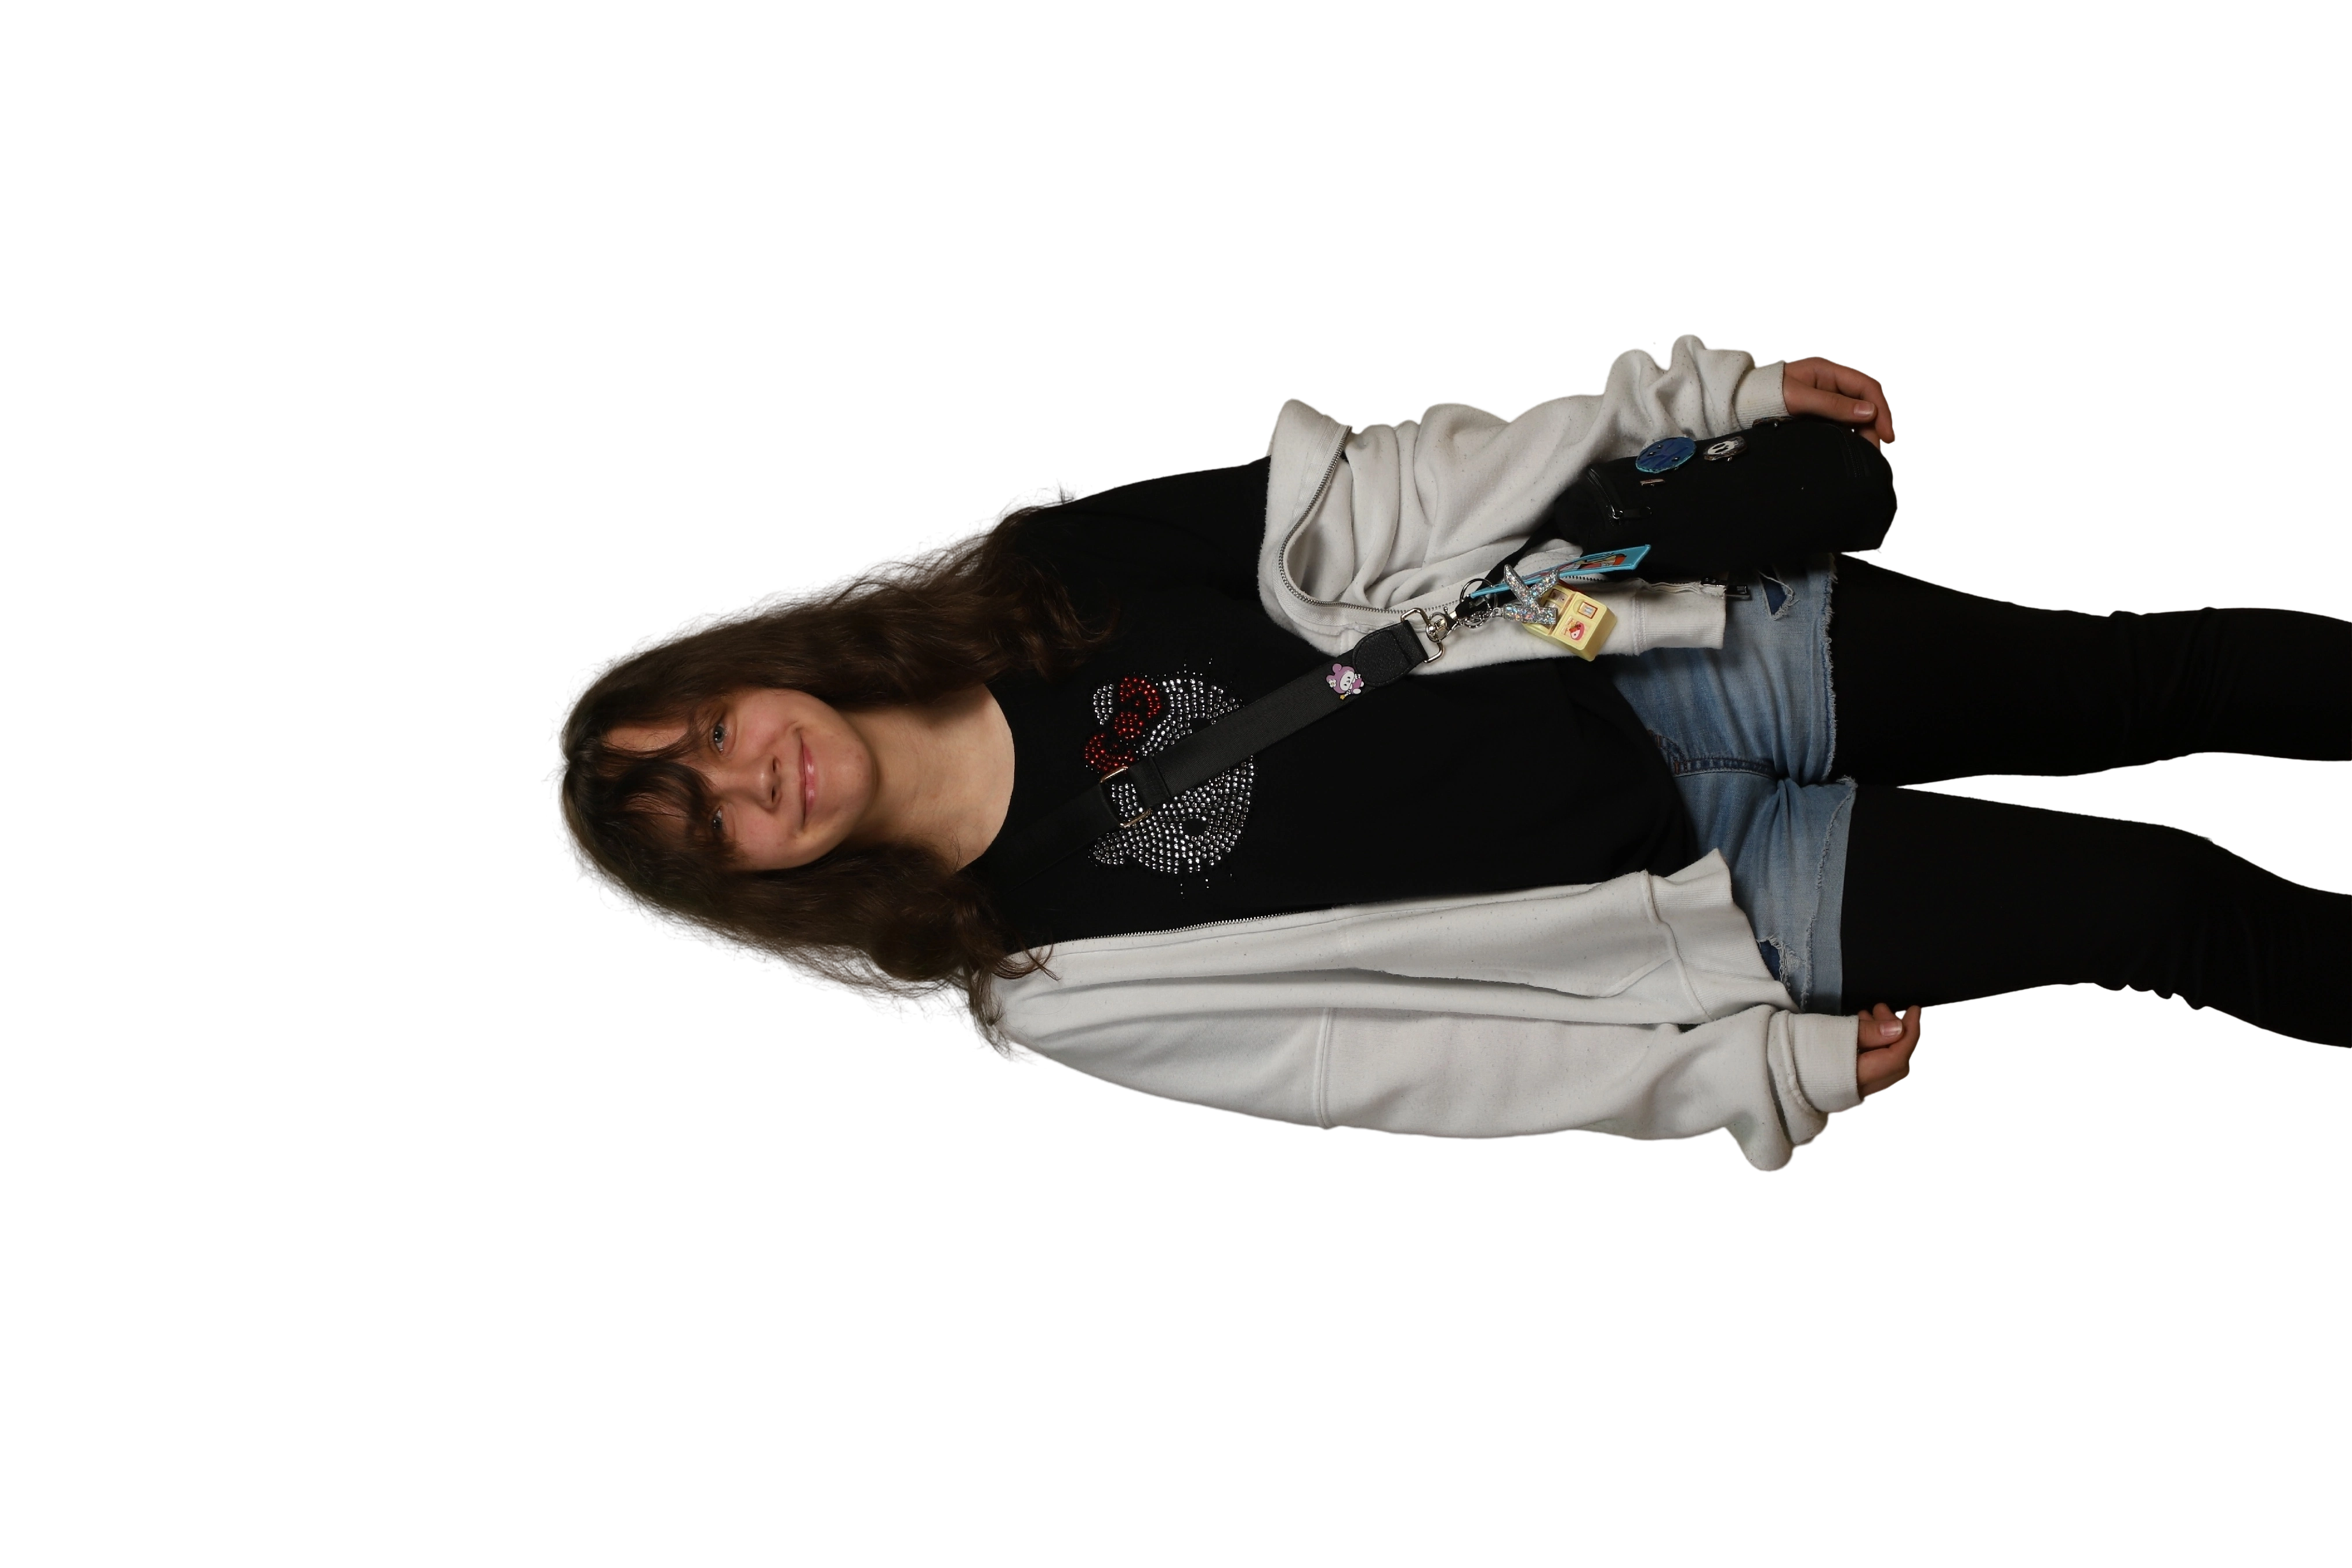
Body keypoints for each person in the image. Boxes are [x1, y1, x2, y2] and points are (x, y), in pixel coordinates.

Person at [540, 335, 2352, 1173]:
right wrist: (1737, 1073)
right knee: (2153, 901)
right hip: (1698, 910)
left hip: (1655, 650)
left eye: (714, 729)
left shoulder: (1043, 573)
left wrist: (1684, 404)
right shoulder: (1030, 977)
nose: (753, 775)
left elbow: (1394, 493)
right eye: (708, 819)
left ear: (750, 669)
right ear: (750, 890)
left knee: (2140, 682)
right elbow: (1390, 1064)